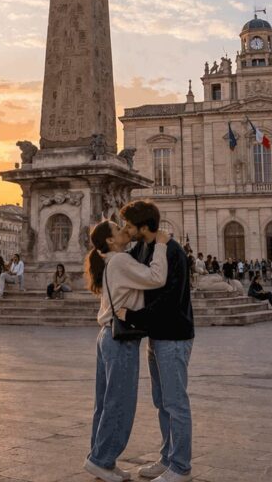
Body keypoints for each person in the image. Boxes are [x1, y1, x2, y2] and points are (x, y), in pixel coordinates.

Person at [83, 216, 169, 482]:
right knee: (120, 403)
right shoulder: (120, 260)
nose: (124, 230)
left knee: (105, 403)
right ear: (110, 240)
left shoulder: (113, 260)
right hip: (120, 339)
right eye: (119, 229)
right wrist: (162, 245)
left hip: (107, 336)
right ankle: (102, 460)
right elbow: (157, 277)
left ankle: (101, 459)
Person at [119, 200, 195, 482]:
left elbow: (169, 300)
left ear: (143, 226)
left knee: (176, 402)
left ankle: (181, 467)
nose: (126, 230)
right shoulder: (142, 248)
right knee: (162, 401)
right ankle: (167, 458)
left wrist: (134, 317)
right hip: (156, 336)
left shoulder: (172, 251)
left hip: (174, 335)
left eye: (129, 225)